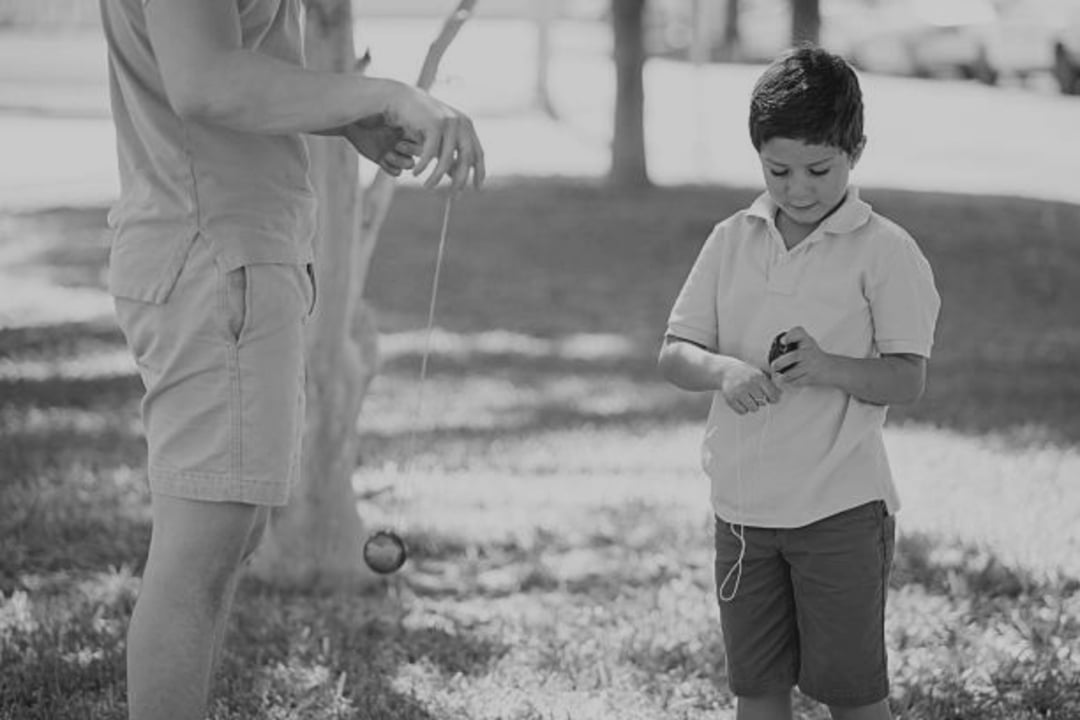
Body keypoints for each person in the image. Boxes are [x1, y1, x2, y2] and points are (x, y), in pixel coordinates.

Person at [97, 0, 485, 718]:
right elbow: (205, 79)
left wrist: (341, 116)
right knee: (199, 560)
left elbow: (233, 63)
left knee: (225, 545)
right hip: (215, 258)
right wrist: (383, 92)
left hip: (234, 254)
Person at [658, 45, 940, 720]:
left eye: (820, 168)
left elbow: (907, 380)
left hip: (838, 508)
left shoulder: (885, 251)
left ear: (855, 151)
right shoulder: (732, 239)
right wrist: (723, 371)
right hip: (743, 511)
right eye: (777, 169)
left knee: (851, 694)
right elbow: (674, 352)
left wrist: (827, 366)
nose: (798, 188)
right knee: (756, 688)